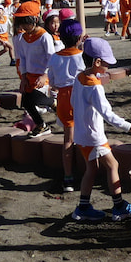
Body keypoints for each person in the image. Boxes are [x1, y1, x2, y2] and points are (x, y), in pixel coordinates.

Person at [70, 37, 131, 222]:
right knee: (113, 165)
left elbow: (73, 101)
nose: (108, 66)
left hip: (81, 134)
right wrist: (130, 127)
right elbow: (108, 114)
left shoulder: (79, 78)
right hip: (94, 137)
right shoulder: (94, 88)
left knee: (92, 169)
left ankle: (83, 207)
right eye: (106, 63)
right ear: (97, 62)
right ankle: (119, 207)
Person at [46, 18, 87, 193]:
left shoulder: (55, 58)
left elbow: (52, 82)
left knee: (68, 140)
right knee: (87, 136)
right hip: (81, 96)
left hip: (63, 98)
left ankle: (68, 176)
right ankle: (90, 171)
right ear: (79, 38)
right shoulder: (83, 56)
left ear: (60, 37)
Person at [13, 0, 57, 138]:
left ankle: (53, 102)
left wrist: (45, 75)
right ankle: (41, 125)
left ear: (35, 20)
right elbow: (22, 58)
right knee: (26, 103)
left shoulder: (44, 36)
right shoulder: (23, 38)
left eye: (26, 22)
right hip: (29, 76)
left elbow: (52, 58)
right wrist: (23, 77)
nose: (23, 26)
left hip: (43, 77)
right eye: (21, 23)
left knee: (34, 99)